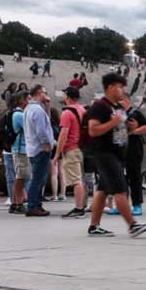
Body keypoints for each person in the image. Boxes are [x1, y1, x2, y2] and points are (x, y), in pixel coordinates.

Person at [84, 73, 146, 237]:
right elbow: (93, 130)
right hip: (104, 153)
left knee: (102, 190)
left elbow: (120, 130)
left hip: (117, 153)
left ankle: (94, 226)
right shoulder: (99, 107)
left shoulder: (118, 108)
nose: (122, 90)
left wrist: (130, 127)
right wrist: (113, 122)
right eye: (120, 86)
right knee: (120, 190)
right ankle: (132, 225)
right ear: (110, 87)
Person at [24, 84, 55, 217]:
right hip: (40, 148)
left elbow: (44, 123)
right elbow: (41, 130)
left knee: (39, 178)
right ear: (39, 93)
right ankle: (32, 205)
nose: (46, 95)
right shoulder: (37, 110)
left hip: (33, 148)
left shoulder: (30, 108)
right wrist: (47, 143)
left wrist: (47, 107)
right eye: (45, 92)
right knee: (38, 179)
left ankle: (36, 204)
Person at [57, 86, 88, 219]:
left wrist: (57, 154)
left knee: (76, 181)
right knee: (81, 178)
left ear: (67, 97)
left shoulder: (67, 113)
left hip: (71, 148)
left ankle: (79, 208)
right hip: (81, 148)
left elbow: (63, 135)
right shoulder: (82, 110)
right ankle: (83, 205)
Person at [124, 96, 146, 215]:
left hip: (134, 149)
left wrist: (133, 132)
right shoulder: (117, 114)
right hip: (120, 149)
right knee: (121, 178)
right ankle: (122, 205)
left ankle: (137, 204)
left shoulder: (135, 113)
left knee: (134, 177)